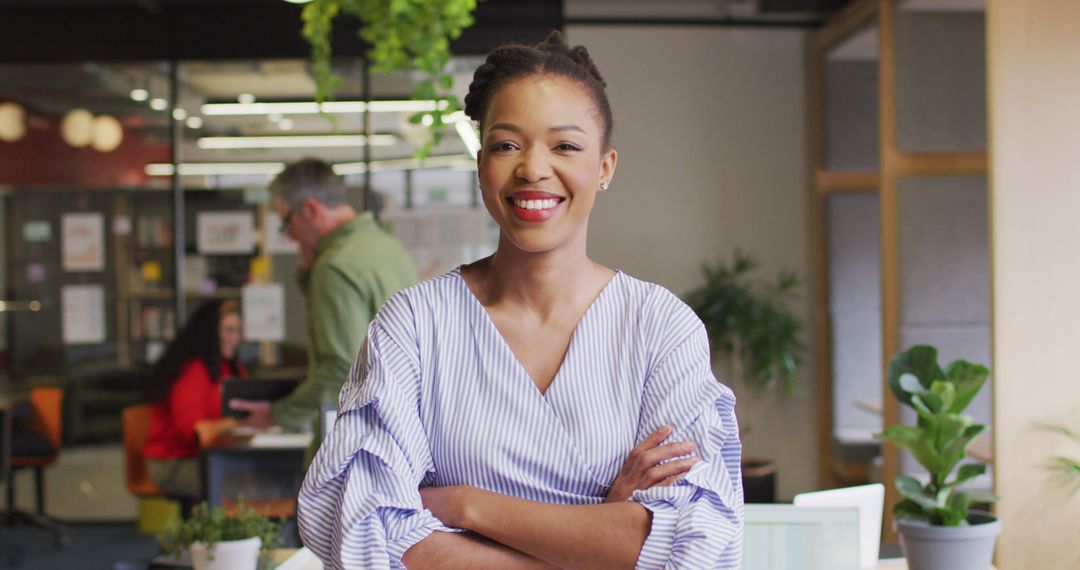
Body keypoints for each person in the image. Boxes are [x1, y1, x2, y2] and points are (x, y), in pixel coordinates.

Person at [297, 32, 744, 569]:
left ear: (605, 167)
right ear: (480, 162)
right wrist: (599, 533)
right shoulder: (414, 326)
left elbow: (694, 541)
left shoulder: (659, 327)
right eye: (507, 144)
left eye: (566, 146)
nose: (533, 168)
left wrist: (467, 505)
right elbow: (367, 533)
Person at [229, 158, 418, 462]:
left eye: (286, 222)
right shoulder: (386, 248)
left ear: (310, 210)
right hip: (398, 435)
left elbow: (340, 370)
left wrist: (279, 415)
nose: (288, 235)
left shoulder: (335, 267)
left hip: (352, 446)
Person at [143, 300, 247, 499]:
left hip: (216, 456)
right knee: (258, 486)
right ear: (210, 333)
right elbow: (191, 430)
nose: (236, 338)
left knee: (275, 478)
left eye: (238, 331)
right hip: (175, 463)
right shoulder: (192, 371)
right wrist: (235, 424)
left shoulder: (230, 367)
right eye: (229, 330)